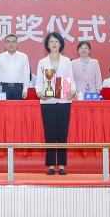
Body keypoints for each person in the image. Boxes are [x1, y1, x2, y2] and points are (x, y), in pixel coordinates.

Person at [35, 32, 75, 175]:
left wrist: (73, 91)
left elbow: (71, 78)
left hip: (64, 100)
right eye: (51, 41)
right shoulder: (42, 62)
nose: (54, 44)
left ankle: (62, 165)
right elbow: (39, 81)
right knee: (50, 133)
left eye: (56, 41)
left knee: (63, 133)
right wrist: (39, 93)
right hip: (48, 102)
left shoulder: (67, 61)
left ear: (61, 44)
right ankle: (51, 165)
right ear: (47, 44)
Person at [0, 34, 31, 100]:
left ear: (17, 44)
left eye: (13, 41)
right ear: (5, 44)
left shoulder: (23, 57)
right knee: (3, 107)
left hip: (18, 88)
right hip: (4, 88)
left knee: (18, 107)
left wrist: (25, 90)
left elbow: (26, 74)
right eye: (8, 42)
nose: (11, 44)